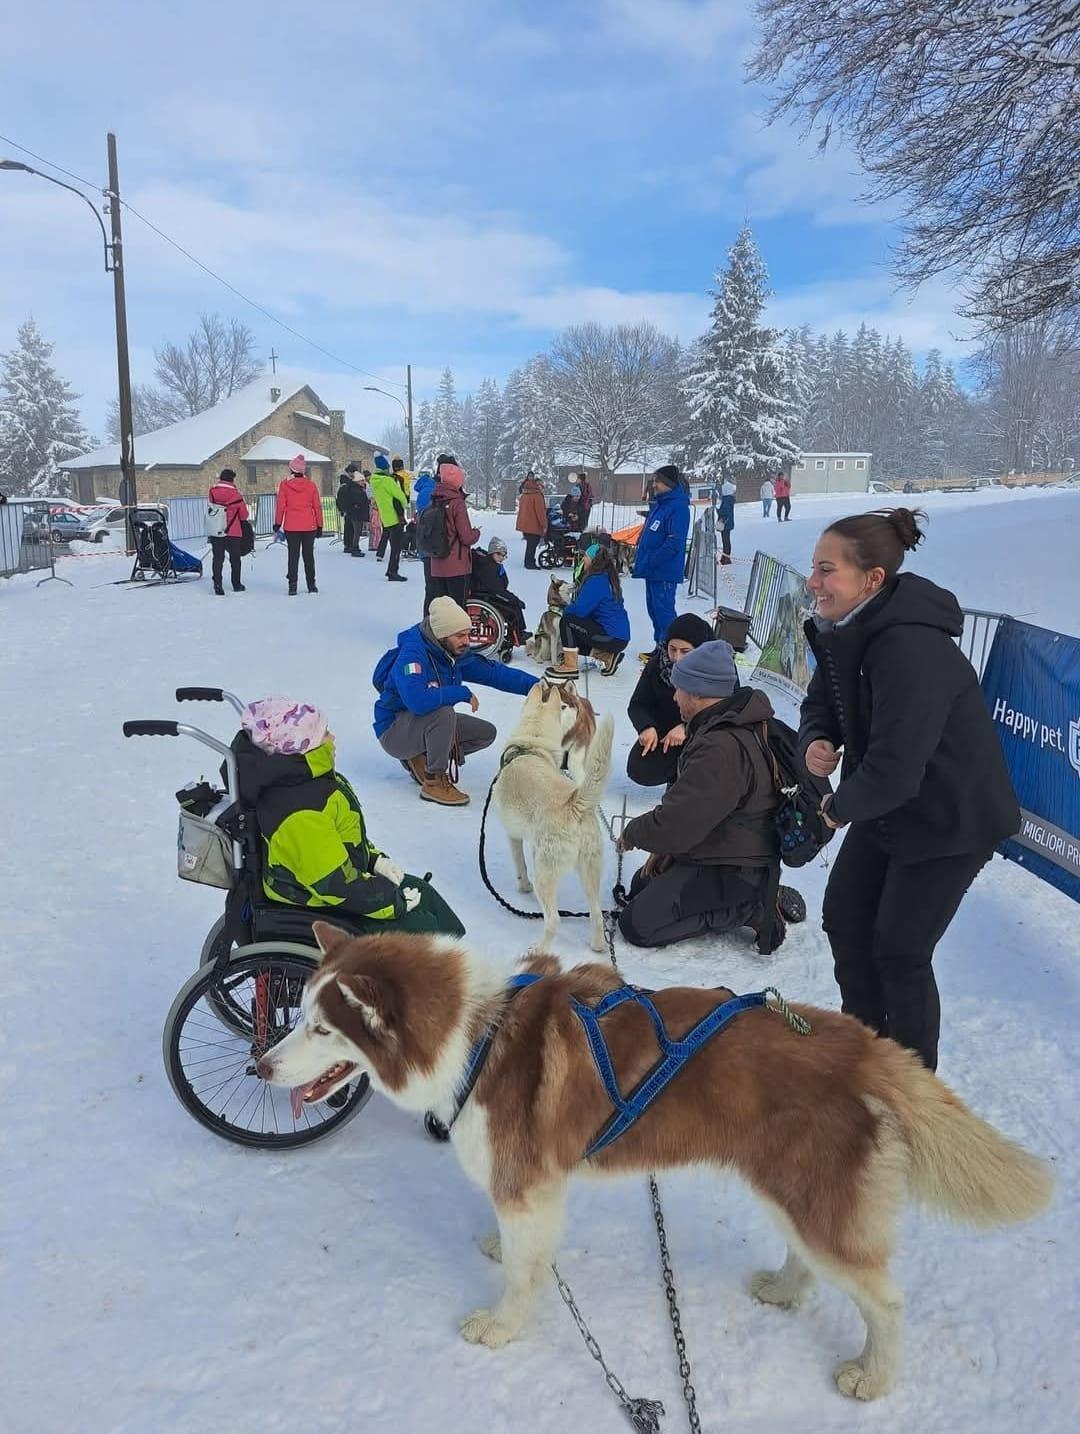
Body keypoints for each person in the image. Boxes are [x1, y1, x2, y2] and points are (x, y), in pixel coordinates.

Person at [801, 508, 1020, 1071]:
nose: (813, 582)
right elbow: (822, 701)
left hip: (951, 817)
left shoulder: (910, 648)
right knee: (845, 921)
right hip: (886, 804)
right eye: (812, 567)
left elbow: (898, 769)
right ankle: (865, 1059)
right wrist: (817, 738)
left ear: (871, 580)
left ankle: (913, 1093)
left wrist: (834, 808)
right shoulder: (841, 629)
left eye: (827, 570)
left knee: (899, 951)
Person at [616, 640, 797, 952]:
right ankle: (754, 893)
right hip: (727, 844)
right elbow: (692, 814)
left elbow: (676, 824)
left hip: (738, 864)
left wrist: (635, 833)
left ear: (699, 691)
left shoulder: (720, 747)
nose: (674, 697)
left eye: (679, 688)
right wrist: (667, 847)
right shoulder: (725, 722)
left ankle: (749, 906)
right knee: (640, 886)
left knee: (637, 925)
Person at [234, 697, 463, 936]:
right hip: (319, 906)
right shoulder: (300, 814)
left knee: (421, 890)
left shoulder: (310, 781)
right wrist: (393, 903)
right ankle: (454, 968)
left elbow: (341, 840)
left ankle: (467, 962)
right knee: (420, 926)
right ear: (300, 749)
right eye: (323, 734)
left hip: (339, 889)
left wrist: (374, 861)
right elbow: (334, 885)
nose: (332, 739)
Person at [373, 595, 538, 806]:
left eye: (468, 634)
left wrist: (539, 687)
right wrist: (460, 692)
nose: (466, 641)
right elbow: (418, 702)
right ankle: (434, 781)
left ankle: (419, 756)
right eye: (460, 635)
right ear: (441, 635)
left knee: (485, 733)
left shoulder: (452, 652)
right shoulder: (412, 657)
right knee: (443, 713)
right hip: (393, 731)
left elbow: (495, 674)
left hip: (421, 724)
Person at [627, 612, 714, 787]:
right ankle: (676, 772)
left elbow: (727, 711)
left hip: (706, 735)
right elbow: (638, 704)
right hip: (666, 732)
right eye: (672, 649)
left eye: (685, 651)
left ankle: (693, 777)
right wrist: (646, 727)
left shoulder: (716, 668)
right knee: (640, 768)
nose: (676, 658)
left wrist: (688, 727)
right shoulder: (658, 664)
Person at [632, 463, 692, 651]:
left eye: (657, 481)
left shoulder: (678, 507)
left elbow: (674, 542)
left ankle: (671, 650)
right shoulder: (661, 504)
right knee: (654, 611)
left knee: (664, 613)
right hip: (653, 571)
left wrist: (652, 560)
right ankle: (660, 647)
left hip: (663, 571)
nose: (654, 484)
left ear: (668, 483)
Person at [546, 544, 630, 678]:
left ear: (594, 560)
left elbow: (579, 610)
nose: (583, 559)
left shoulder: (596, 580)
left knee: (567, 622)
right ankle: (608, 657)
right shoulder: (607, 577)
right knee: (572, 639)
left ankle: (570, 667)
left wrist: (565, 608)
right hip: (619, 637)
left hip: (611, 636)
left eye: (585, 556)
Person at [428, 459, 480, 610]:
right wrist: (476, 532)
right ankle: (457, 634)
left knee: (442, 611)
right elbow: (466, 537)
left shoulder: (434, 499)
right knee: (457, 611)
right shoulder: (457, 503)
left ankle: (440, 634)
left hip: (436, 565)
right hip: (456, 567)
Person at [274, 455, 322, 595]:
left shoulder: (285, 485)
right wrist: (319, 525)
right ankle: (311, 585)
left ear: (291, 469)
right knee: (309, 556)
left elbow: (280, 506)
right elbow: (317, 507)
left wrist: (277, 523)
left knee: (293, 556)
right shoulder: (311, 485)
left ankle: (292, 586)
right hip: (309, 526)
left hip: (291, 526)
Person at [470, 536, 528, 641]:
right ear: (492, 553)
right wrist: (515, 599)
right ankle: (518, 634)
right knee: (513, 608)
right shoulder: (488, 567)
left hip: (489, 594)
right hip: (486, 597)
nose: (501, 557)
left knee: (513, 606)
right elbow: (497, 589)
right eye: (499, 554)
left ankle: (518, 633)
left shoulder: (492, 564)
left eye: (504, 555)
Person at [207, 467, 249, 595]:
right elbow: (244, 516)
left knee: (217, 558)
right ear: (232, 480)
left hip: (217, 530)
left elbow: (211, 509)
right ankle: (236, 584)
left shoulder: (212, 492)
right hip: (233, 531)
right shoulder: (236, 495)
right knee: (235, 559)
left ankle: (218, 584)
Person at [370, 452, 407, 581]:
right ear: (385, 468)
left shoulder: (374, 481)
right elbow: (400, 496)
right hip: (395, 517)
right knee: (396, 547)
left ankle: (390, 571)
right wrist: (404, 504)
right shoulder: (387, 481)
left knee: (393, 545)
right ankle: (393, 572)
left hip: (385, 517)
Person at [336, 462, 369, 557]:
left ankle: (349, 544)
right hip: (350, 509)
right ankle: (349, 545)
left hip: (349, 509)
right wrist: (343, 509)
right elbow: (344, 498)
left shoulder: (348, 483)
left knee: (351, 528)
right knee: (350, 528)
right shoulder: (347, 484)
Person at [515, 471, 547, 569]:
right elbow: (540, 513)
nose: (542, 488)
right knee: (532, 544)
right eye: (541, 485)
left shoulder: (525, 494)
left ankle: (528, 561)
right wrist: (544, 525)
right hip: (534, 525)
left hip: (525, 524)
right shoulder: (537, 496)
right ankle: (529, 563)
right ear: (537, 485)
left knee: (530, 544)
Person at [718, 476, 737, 564]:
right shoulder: (729, 499)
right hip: (728, 523)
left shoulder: (727, 500)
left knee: (726, 541)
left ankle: (726, 558)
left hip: (725, 523)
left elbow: (726, 511)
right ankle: (725, 557)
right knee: (726, 541)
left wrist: (720, 514)